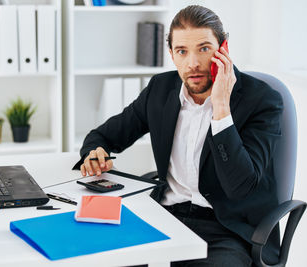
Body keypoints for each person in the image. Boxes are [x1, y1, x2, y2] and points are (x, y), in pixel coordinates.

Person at [73, 5, 283, 266]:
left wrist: (220, 109)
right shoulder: (161, 89)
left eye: (204, 49)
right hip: (165, 216)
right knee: (102, 258)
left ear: (223, 50)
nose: (192, 63)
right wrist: (94, 152)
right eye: (182, 51)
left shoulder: (261, 100)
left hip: (227, 231)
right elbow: (103, 135)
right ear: (172, 55)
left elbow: (241, 187)